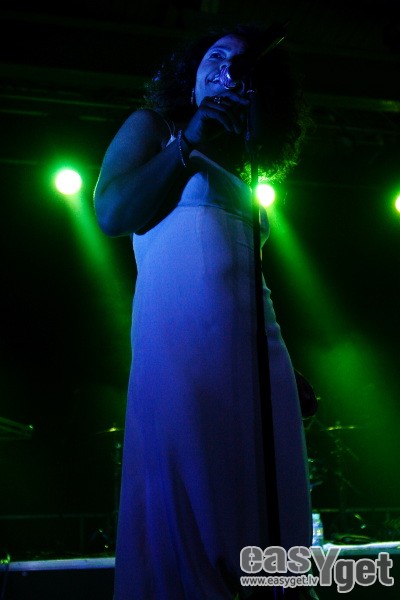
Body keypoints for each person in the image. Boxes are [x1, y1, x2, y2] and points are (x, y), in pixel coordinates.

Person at [94, 22, 317, 600]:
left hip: (257, 357)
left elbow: (241, 275)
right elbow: (112, 213)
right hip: (180, 351)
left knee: (270, 520)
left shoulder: (247, 166)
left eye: (243, 65)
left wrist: (283, 365)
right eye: (216, 56)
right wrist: (186, 142)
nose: (227, 68)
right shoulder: (156, 127)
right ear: (191, 75)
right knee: (190, 514)